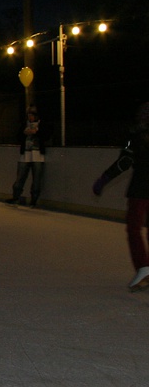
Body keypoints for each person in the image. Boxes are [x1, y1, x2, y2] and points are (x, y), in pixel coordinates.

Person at [93, 101, 149, 292]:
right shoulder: (134, 135)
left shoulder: (134, 135)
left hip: (140, 189)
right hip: (140, 188)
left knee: (134, 229)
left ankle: (144, 267)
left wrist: (104, 178)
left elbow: (124, 161)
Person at [5, 106, 49, 207]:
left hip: (38, 156)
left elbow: (46, 136)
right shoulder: (24, 125)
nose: (30, 118)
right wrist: (24, 133)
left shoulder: (42, 125)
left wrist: (37, 132)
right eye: (29, 116)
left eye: (32, 116)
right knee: (20, 177)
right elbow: (17, 137)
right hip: (25, 155)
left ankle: (34, 200)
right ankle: (16, 196)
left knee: (36, 179)